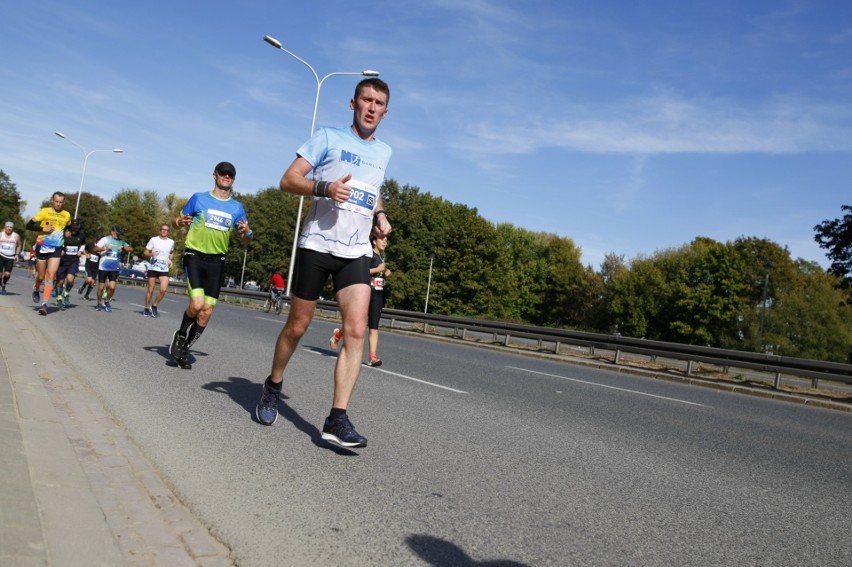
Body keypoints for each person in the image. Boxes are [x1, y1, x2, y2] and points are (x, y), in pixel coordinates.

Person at [255, 78, 392, 449]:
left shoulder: (384, 152)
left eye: (379, 103)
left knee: (357, 332)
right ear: (353, 103)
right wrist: (325, 188)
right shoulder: (328, 137)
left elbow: (373, 189)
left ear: (385, 110)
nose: (371, 107)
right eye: (366, 100)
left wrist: (380, 215)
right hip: (317, 243)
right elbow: (288, 180)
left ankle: (337, 418)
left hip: (356, 251)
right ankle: (273, 385)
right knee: (298, 327)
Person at [169, 161, 253, 370]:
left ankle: (186, 346)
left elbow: (246, 238)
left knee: (206, 311)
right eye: (223, 173)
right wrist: (179, 223)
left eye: (230, 175)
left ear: (233, 179)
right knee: (197, 305)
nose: (226, 177)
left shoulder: (237, 207)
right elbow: (176, 221)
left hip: (218, 261)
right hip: (195, 254)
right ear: (214, 175)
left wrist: (247, 233)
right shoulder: (199, 199)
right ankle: (180, 335)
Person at [329, 229, 391, 368]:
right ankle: (339, 333)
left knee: (374, 326)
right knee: (357, 323)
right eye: (382, 239)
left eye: (386, 240)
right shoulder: (368, 254)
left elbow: (378, 271)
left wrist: (385, 272)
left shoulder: (381, 257)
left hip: (378, 294)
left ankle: (372, 357)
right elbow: (361, 271)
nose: (385, 242)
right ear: (374, 240)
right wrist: (377, 269)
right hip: (365, 292)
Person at [26, 191, 72, 315]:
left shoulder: (66, 215)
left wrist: (65, 241)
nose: (58, 204)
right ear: (52, 200)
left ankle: (44, 304)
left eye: (61, 202)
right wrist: (43, 229)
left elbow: (68, 228)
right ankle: (36, 288)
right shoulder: (44, 211)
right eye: (56, 201)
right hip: (42, 246)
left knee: (51, 275)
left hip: (56, 248)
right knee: (41, 276)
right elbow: (28, 226)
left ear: (63, 203)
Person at [93, 226, 133, 313]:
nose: (117, 234)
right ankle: (99, 303)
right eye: (115, 232)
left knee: (112, 287)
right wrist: (105, 248)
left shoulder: (121, 241)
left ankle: (107, 301)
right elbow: (95, 249)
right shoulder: (105, 239)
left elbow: (131, 248)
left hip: (114, 268)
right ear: (112, 231)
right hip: (103, 267)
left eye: (118, 233)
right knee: (101, 287)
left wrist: (124, 247)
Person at [143, 224, 175, 317]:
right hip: (153, 267)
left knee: (163, 289)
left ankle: (154, 305)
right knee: (151, 289)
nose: (164, 231)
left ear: (169, 232)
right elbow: (145, 252)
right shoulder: (153, 240)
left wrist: (170, 260)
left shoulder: (171, 242)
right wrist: (151, 254)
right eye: (163, 229)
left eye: (166, 230)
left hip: (164, 268)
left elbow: (171, 253)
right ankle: (146, 308)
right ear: (160, 230)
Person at [55, 220, 85, 308]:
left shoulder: (81, 235)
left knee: (70, 279)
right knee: (60, 282)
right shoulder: (65, 234)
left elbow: (83, 244)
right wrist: (61, 250)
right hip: (63, 261)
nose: (75, 229)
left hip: (74, 260)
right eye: (73, 227)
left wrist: (80, 251)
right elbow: (59, 244)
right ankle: (59, 297)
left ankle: (66, 293)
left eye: (77, 227)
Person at [0, 221, 23, 294]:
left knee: (7, 274)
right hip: (1, 255)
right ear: (5, 227)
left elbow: (19, 245)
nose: (9, 228)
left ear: (12, 228)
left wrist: (17, 254)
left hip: (10, 257)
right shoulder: (1, 234)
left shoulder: (16, 236)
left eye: (11, 227)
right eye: (8, 227)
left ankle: (4, 283)